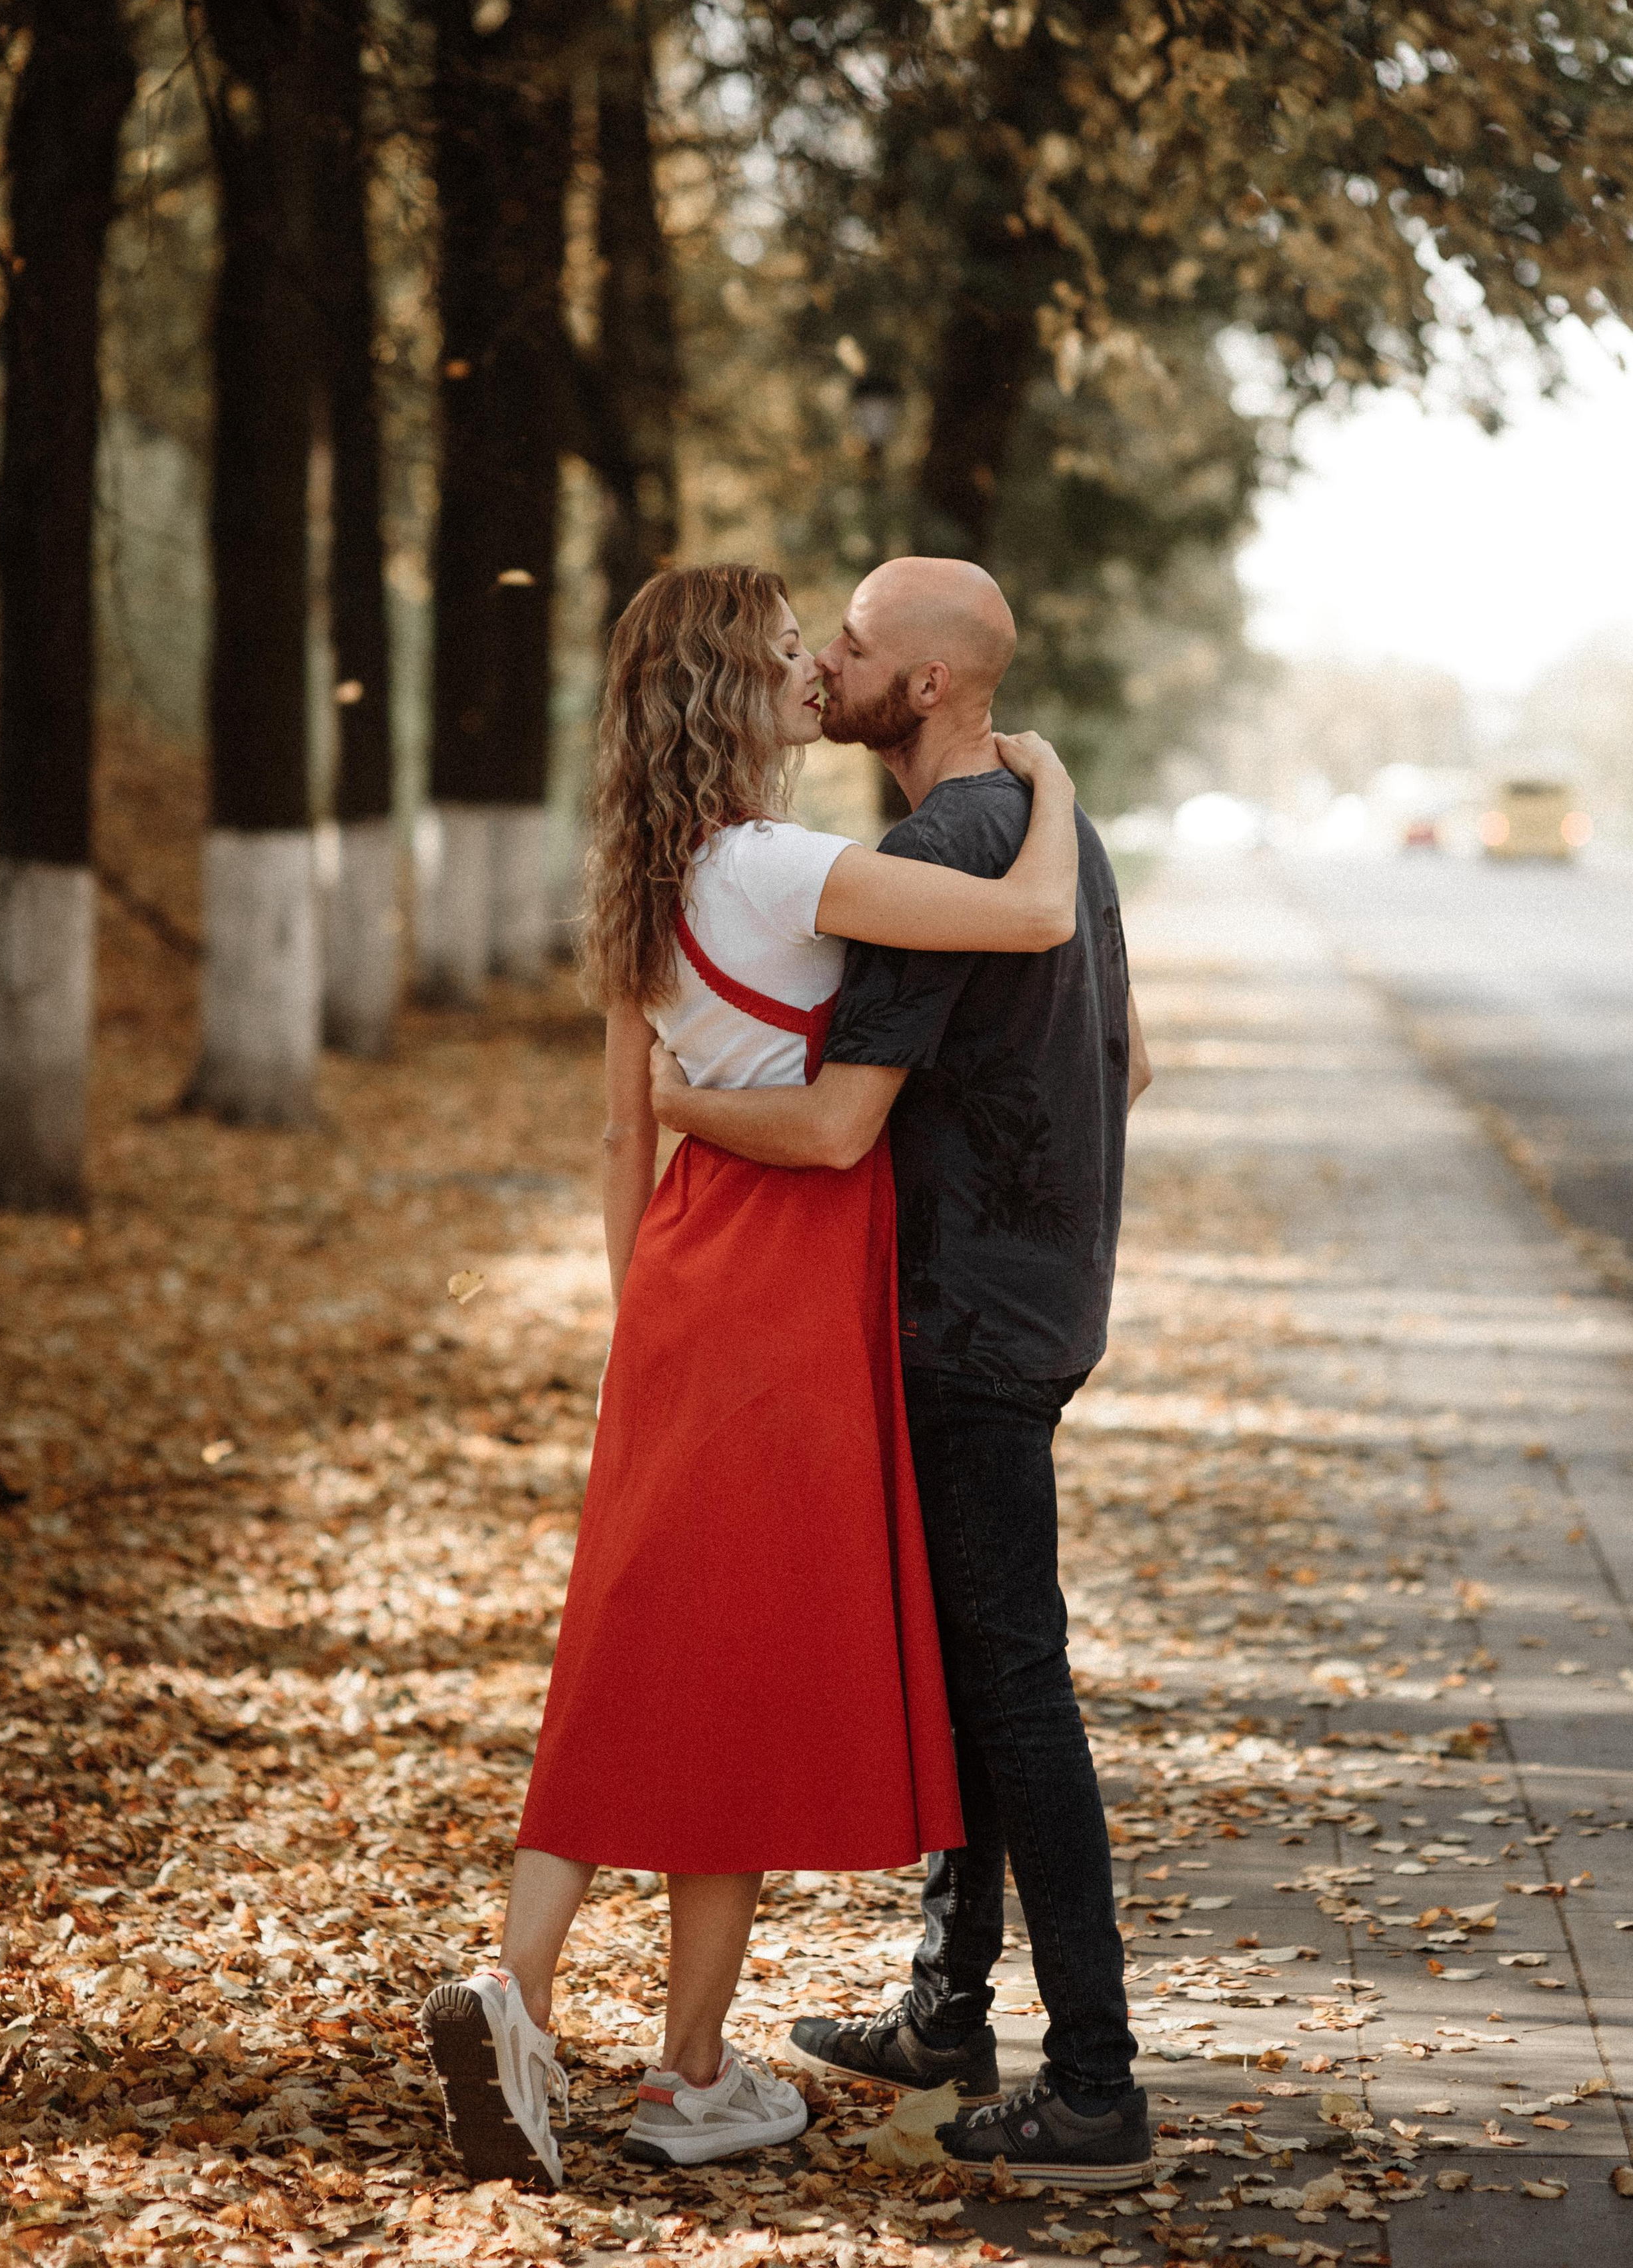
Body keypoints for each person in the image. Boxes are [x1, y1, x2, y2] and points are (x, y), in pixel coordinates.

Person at [420, 562, 1084, 2188]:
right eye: (792, 654)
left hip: (676, 1276)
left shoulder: (644, 877)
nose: (813, 673)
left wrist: (633, 1313)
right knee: (732, 1664)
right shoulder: (791, 869)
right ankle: (668, 2067)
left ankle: (565, 2011)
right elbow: (1034, 916)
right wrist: (1049, 784)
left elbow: (615, 1126)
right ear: (733, 693)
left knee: (641, 1643)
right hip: (793, 1276)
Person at [648, 555, 1156, 2191]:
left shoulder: (934, 848)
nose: (826, 667)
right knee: (973, 1665)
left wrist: (667, 1103)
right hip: (1039, 1294)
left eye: (852, 646)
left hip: (950, 1319)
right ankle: (946, 2007)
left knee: (1013, 1685)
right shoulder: (1044, 823)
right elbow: (1125, 1062)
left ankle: (1094, 2087)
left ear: (920, 686)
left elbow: (833, 1123)